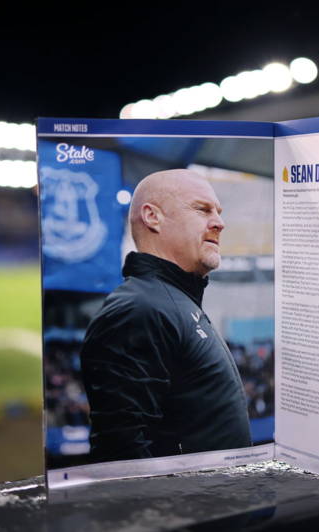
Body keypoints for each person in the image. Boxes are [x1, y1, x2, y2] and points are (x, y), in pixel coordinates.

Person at [80, 168, 252, 463]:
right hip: (193, 496)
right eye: (202, 209)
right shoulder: (139, 309)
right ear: (152, 217)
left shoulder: (173, 302)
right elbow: (123, 455)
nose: (219, 223)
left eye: (218, 212)